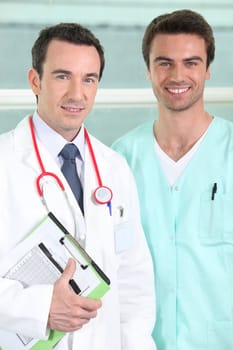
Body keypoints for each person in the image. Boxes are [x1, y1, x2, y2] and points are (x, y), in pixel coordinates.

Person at [0, 23, 156, 350]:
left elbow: (133, 284)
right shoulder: (5, 163)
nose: (77, 94)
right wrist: (39, 307)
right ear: (34, 81)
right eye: (62, 76)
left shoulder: (114, 168)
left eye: (89, 79)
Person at [112, 9, 233, 350]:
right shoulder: (121, 159)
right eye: (164, 63)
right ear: (148, 70)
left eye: (191, 62)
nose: (177, 75)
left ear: (208, 69)